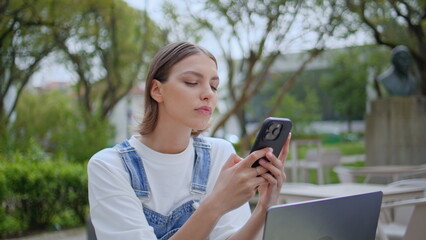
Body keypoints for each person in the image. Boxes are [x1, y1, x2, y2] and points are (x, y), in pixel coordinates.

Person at [88, 41, 291, 240]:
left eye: (214, 86)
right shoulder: (109, 167)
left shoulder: (220, 153)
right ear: (157, 90)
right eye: (192, 82)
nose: (208, 94)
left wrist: (265, 207)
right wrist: (216, 203)